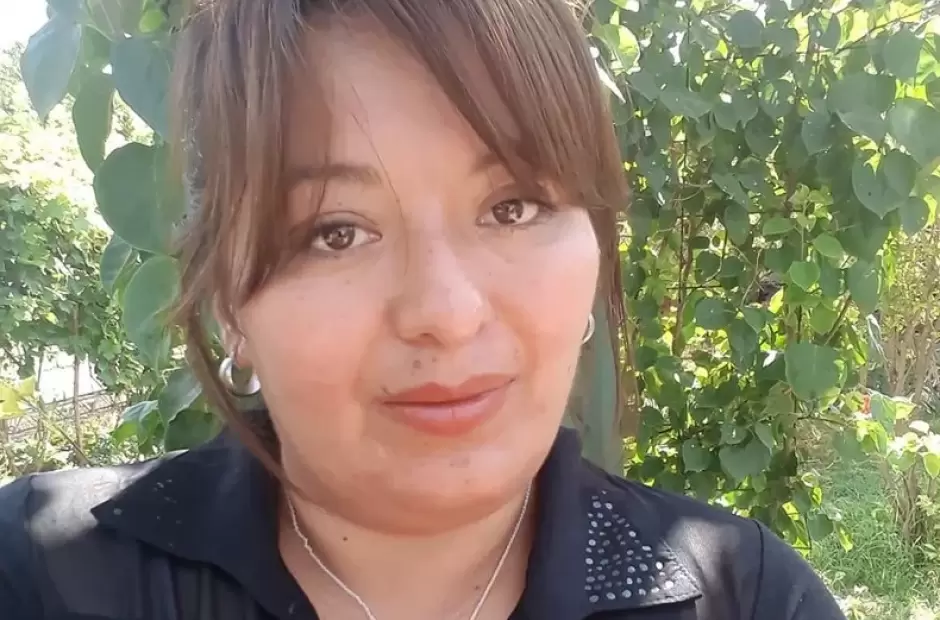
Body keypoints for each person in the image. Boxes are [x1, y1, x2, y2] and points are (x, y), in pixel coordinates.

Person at [0, 1, 847, 619]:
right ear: (228, 301)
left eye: (513, 207)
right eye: (335, 232)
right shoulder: (43, 576)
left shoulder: (747, 599)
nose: (447, 312)